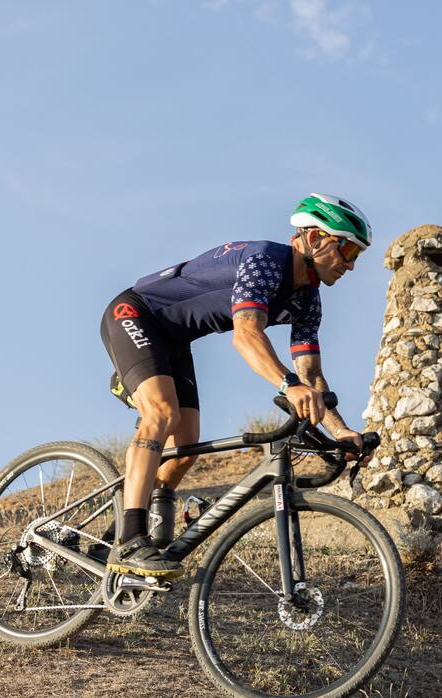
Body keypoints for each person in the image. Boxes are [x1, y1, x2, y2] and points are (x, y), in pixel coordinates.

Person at [99, 193, 372, 578]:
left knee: (184, 448)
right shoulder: (265, 261)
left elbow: (311, 376)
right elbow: (246, 335)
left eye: (356, 256)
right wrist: (287, 384)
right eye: (346, 249)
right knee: (162, 412)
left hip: (174, 341)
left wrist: (341, 430)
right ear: (312, 238)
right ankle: (129, 541)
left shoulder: (308, 299)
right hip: (135, 314)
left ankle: (131, 526)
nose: (350, 265)